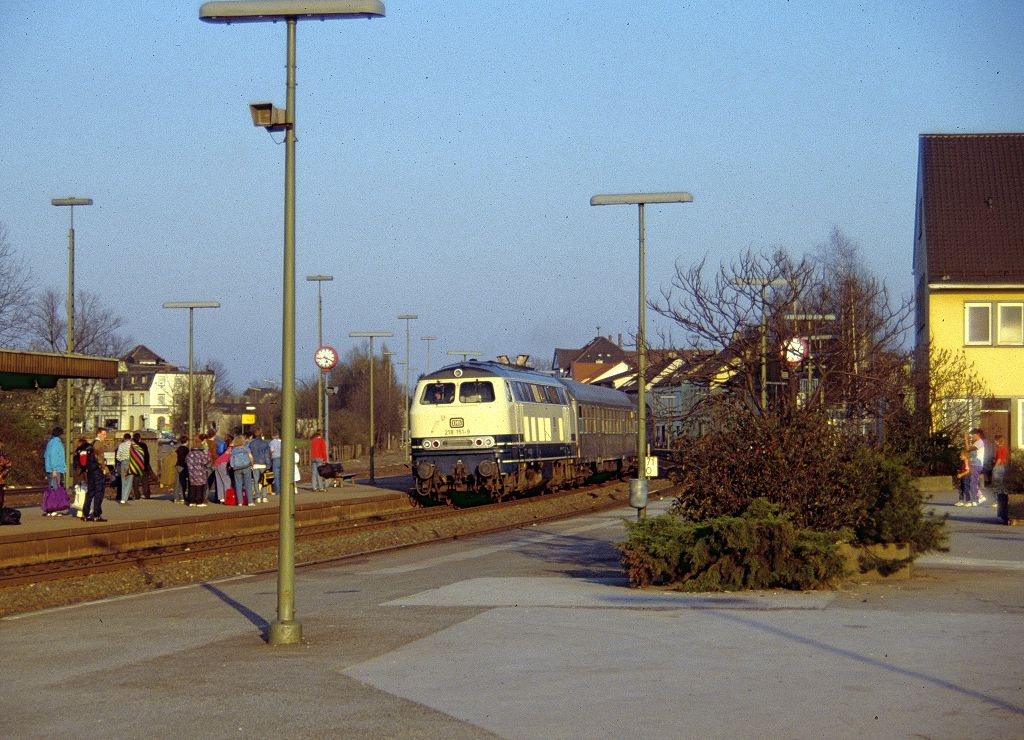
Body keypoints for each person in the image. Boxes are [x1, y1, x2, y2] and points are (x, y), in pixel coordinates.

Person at [81, 428, 109, 522]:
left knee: (90, 492)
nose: (105, 436)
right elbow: (100, 458)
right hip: (97, 471)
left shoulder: (92, 443)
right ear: (99, 434)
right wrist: (104, 469)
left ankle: (85, 514)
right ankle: (96, 515)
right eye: (104, 434)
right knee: (99, 493)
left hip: (91, 471)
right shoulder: (98, 444)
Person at [185, 435, 211, 507]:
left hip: (191, 473)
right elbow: (207, 461)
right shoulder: (202, 453)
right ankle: (199, 501)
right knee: (200, 487)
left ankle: (192, 501)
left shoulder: (189, 454)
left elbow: (186, 461)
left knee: (192, 486)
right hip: (200, 472)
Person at [229, 436, 256, 505]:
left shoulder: (233, 450)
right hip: (246, 467)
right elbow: (251, 457)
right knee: (248, 485)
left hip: (237, 468)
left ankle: (240, 502)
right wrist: (252, 464)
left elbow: (231, 460)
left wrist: (233, 467)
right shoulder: (246, 448)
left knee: (238, 485)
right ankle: (250, 502)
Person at [248, 429, 271, 503]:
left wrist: (251, 464)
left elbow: (250, 454)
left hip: (255, 464)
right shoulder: (265, 443)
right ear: (261, 434)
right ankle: (264, 497)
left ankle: (258, 497)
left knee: (256, 481)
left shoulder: (251, 443)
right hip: (263, 464)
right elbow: (267, 455)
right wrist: (268, 465)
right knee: (264, 481)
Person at [968, 428, 987, 506]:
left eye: (973, 435)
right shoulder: (976, 442)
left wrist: (966, 439)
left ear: (978, 434)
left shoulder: (979, 442)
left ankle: (978, 498)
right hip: (975, 464)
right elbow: (968, 450)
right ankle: (978, 498)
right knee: (973, 482)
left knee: (973, 482)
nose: (972, 437)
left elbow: (968, 449)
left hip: (977, 464)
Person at [115, 432, 134, 504]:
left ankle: (123, 497)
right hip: (130, 464)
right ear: (130, 438)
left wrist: (122, 460)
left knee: (123, 481)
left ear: (124, 438)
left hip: (122, 463)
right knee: (129, 481)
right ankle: (124, 498)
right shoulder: (132, 445)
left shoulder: (121, 445)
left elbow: (118, 457)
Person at [991, 434, 1009, 506]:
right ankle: (1004, 500)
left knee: (996, 485)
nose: (994, 442)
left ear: (998, 441)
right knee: (1001, 484)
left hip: (998, 467)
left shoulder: (999, 449)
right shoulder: (1004, 448)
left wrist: (995, 467)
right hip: (1003, 467)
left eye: (995, 440)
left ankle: (997, 501)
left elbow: (999, 459)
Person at [174, 438, 189, 504]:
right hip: (183, 466)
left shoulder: (178, 449)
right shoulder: (187, 449)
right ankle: (182, 498)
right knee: (182, 483)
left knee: (177, 482)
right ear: (187, 441)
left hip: (177, 465)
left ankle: (175, 498)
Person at [269, 431, 282, 495]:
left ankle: (277, 491)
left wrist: (270, 457)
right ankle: (281, 489)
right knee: (280, 476)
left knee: (276, 476)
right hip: (281, 459)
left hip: (275, 459)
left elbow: (271, 451)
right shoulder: (280, 442)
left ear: (272, 436)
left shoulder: (272, 442)